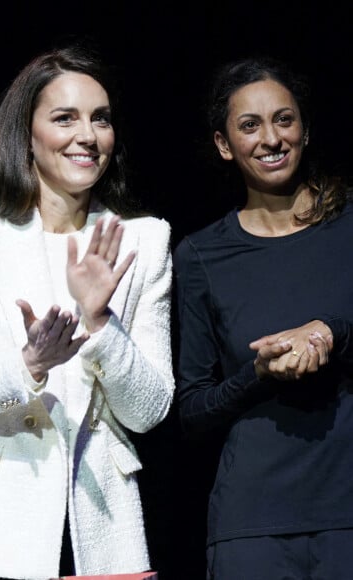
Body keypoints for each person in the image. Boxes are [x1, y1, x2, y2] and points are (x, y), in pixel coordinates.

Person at [0, 43, 175, 580]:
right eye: (65, 118)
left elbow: (149, 411)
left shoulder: (144, 240)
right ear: (27, 135)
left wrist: (101, 324)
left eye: (100, 120)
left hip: (103, 533)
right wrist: (30, 364)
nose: (88, 136)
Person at [173, 55, 353, 579]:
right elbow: (193, 408)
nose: (270, 138)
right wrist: (257, 375)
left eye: (284, 119)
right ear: (224, 145)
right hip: (254, 526)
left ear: (304, 128)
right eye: (249, 126)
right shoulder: (202, 254)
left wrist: (330, 332)